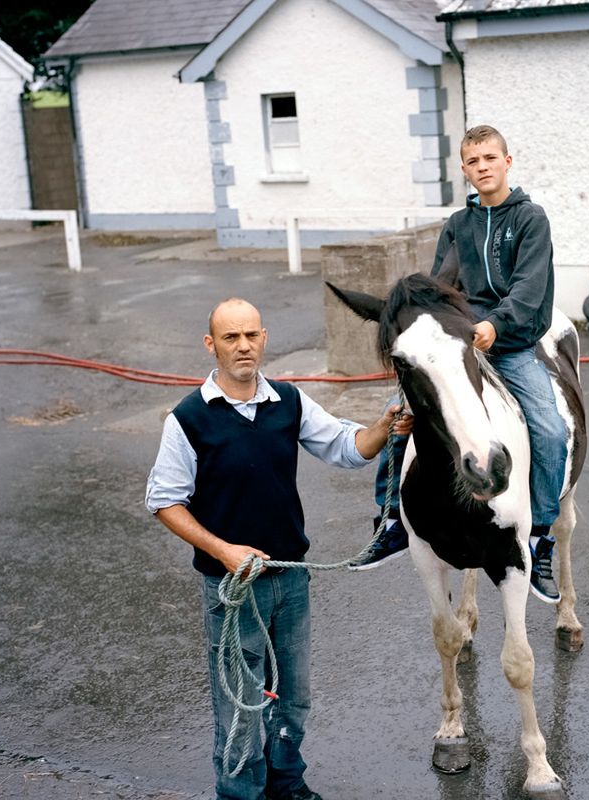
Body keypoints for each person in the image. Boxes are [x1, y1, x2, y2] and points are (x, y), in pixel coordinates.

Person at [146, 298, 412, 800]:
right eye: (230, 337)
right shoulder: (188, 419)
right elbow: (164, 501)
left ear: (264, 338)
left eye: (250, 335)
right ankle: (240, 793)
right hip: (232, 588)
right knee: (241, 707)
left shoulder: (288, 401)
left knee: (293, 699)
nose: (243, 346)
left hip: (291, 580)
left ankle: (287, 783)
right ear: (211, 345)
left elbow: (345, 446)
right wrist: (223, 549)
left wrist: (385, 428)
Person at [348, 124, 568, 606]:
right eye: (473, 161)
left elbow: (529, 290)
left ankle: (542, 535)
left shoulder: (531, 219)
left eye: (491, 157)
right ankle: (389, 521)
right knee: (399, 416)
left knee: (550, 428)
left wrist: (495, 326)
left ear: (507, 162)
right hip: (462, 342)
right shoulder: (457, 225)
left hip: (508, 344)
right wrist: (445, 326)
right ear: (465, 170)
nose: (483, 167)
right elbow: (441, 287)